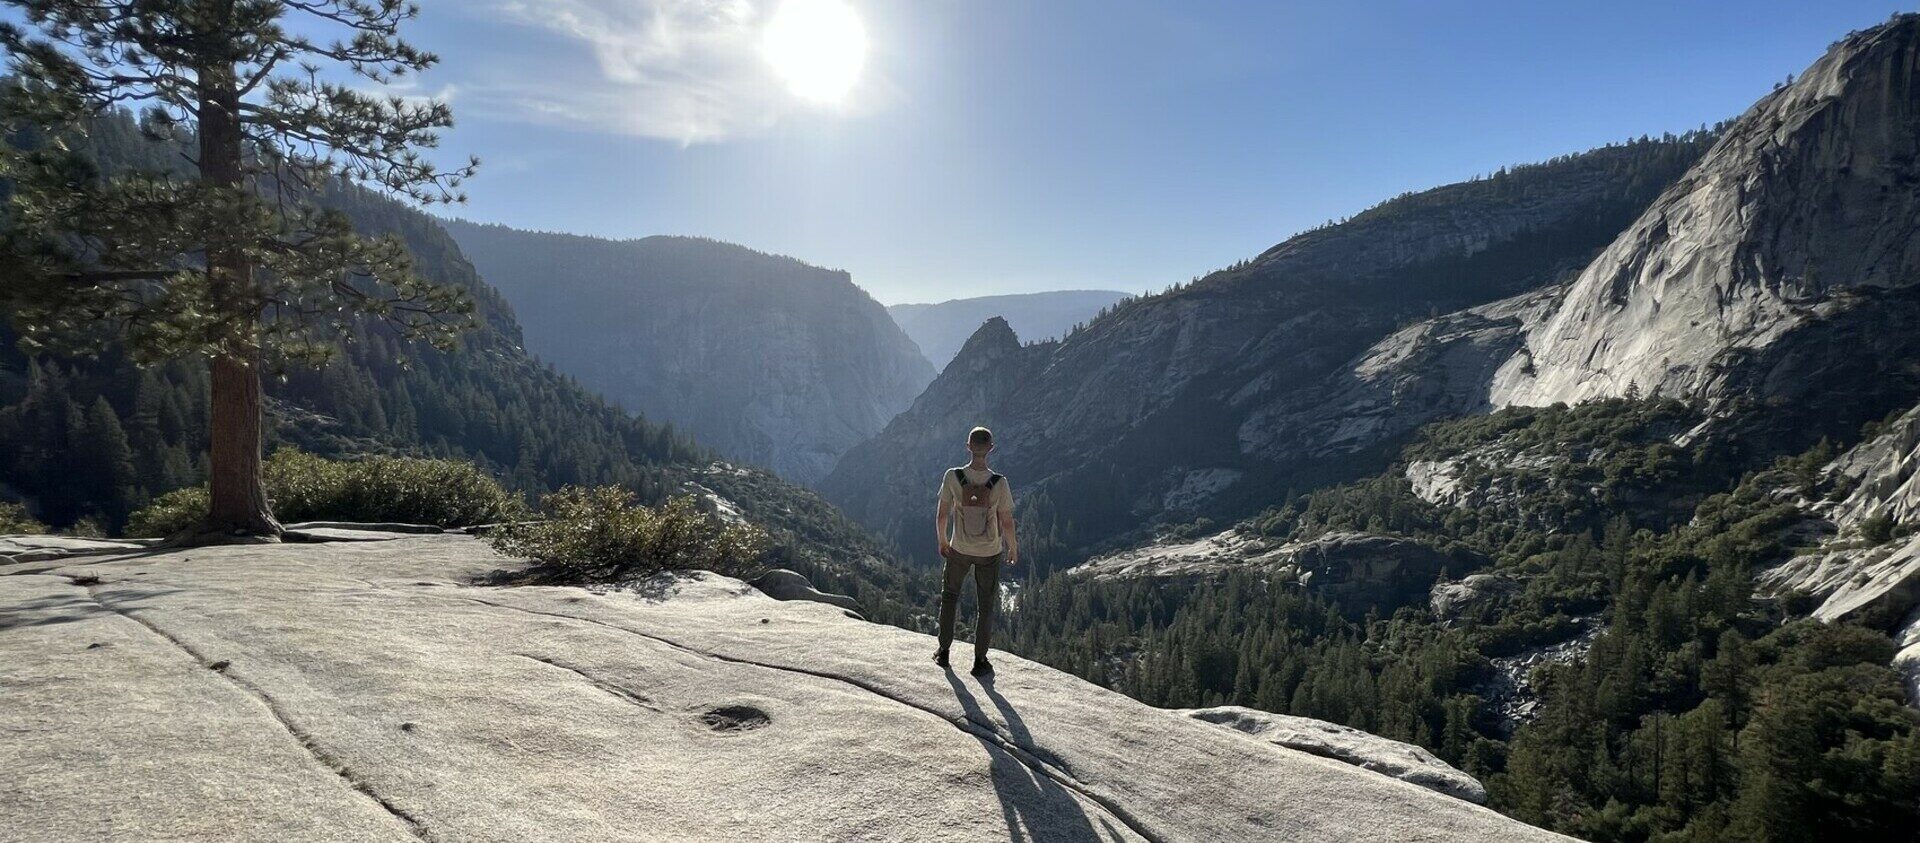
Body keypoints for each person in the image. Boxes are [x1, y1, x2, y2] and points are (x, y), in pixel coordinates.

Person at [935, 426, 1018, 675]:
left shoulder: (952, 476)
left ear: (968, 446)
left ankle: (944, 653)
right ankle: (979, 661)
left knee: (950, 598)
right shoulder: (1000, 483)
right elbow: (1006, 521)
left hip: (959, 548)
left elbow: (941, 515)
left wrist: (942, 541)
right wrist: (1012, 547)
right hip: (989, 552)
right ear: (991, 449)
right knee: (986, 607)